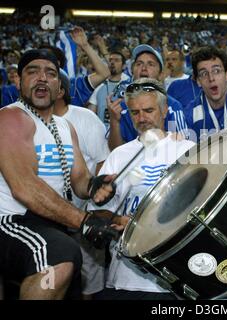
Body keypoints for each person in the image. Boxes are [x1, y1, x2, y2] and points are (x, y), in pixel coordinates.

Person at [0, 49, 120, 299]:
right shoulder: (11, 117)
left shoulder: (65, 127)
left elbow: (78, 180)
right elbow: (24, 187)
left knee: (68, 268)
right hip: (13, 220)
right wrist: (84, 221)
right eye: (33, 72)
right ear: (19, 81)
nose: (42, 78)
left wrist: (94, 185)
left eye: (51, 73)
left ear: (59, 86)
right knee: (59, 258)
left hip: (53, 223)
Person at [88, 78, 195, 300]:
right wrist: (121, 222)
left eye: (148, 110)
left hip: (174, 278)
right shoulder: (119, 155)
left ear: (165, 110)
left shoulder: (189, 151)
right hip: (124, 278)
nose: (142, 118)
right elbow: (97, 211)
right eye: (135, 112)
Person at [54, 69, 111, 298]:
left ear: (61, 91)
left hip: (82, 214)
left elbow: (101, 164)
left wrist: (95, 203)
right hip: (46, 218)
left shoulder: (84, 119)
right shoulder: (25, 120)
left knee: (90, 281)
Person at [107, 44, 188, 150]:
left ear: (161, 75)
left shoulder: (172, 106)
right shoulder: (119, 107)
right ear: (132, 72)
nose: (144, 68)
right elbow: (114, 150)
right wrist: (114, 121)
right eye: (139, 64)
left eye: (151, 64)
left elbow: (181, 148)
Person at [185, 45, 227, 142]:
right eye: (204, 74)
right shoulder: (190, 114)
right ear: (198, 81)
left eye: (216, 71)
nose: (211, 78)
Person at [87, 51, 130, 128]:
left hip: (122, 135)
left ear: (124, 66)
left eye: (116, 60)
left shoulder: (128, 86)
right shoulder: (99, 86)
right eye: (110, 60)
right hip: (101, 133)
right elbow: (90, 114)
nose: (112, 62)